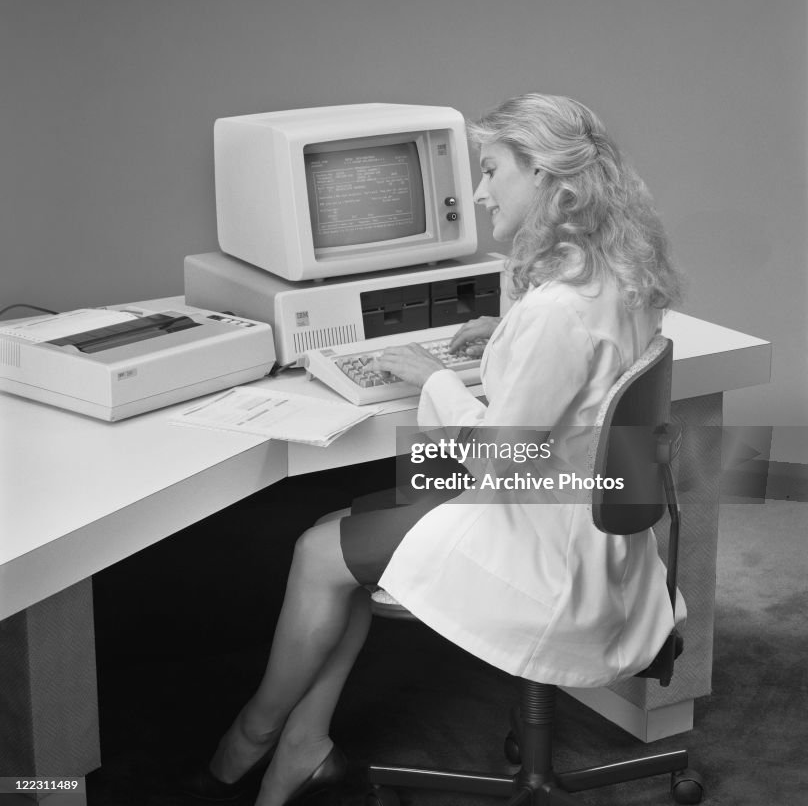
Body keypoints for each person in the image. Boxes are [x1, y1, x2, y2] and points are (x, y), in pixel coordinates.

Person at [184, 93, 684, 806]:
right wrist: (504, 328)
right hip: (588, 518)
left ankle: (252, 735)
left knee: (316, 552)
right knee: (343, 533)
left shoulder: (557, 312)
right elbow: (575, 382)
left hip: (542, 534)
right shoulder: (618, 274)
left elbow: (492, 459)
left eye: (491, 171)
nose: (478, 193)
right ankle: (304, 745)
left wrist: (436, 376)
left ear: (544, 178)